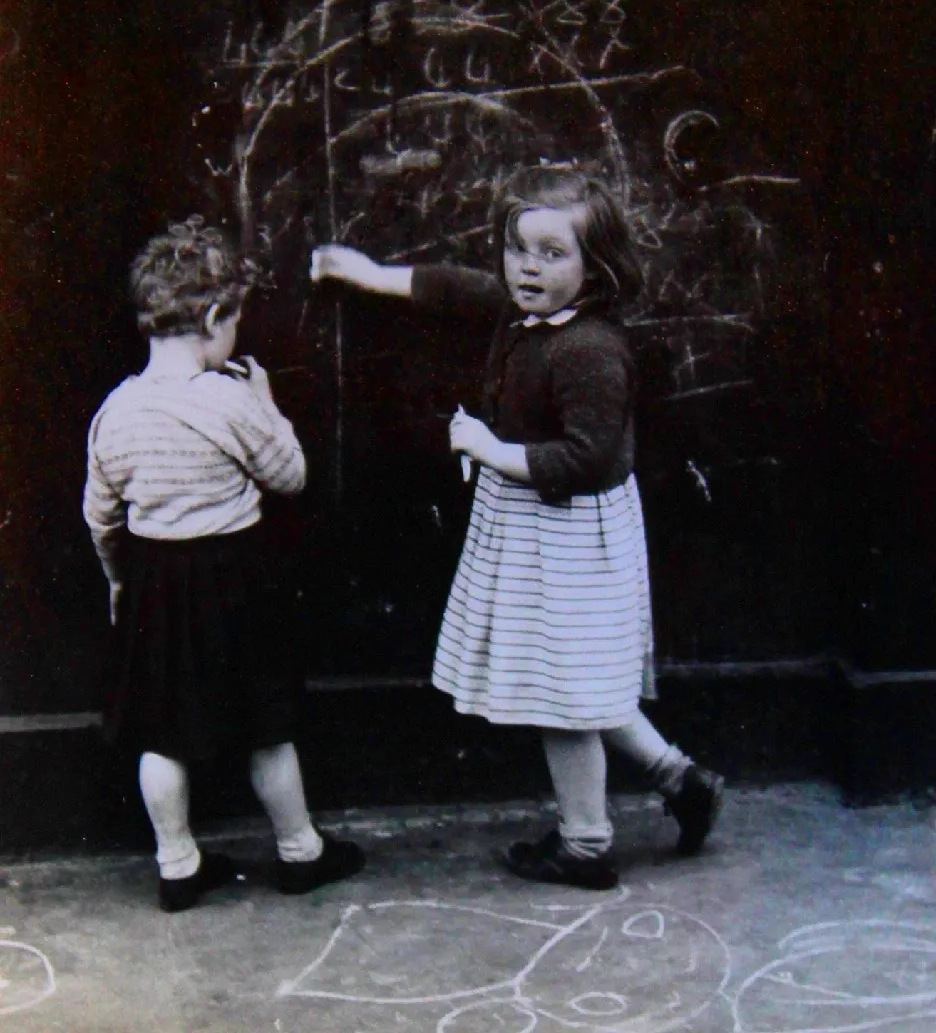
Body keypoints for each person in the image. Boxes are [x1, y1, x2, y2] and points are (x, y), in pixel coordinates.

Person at [310, 164, 724, 890]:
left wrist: (490, 449)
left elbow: (590, 457)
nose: (527, 267)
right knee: (578, 684)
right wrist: (374, 276)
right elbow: (456, 287)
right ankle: (679, 780)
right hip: (535, 525)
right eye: (517, 248)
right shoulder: (521, 310)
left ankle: (588, 845)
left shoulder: (590, 348)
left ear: (596, 267)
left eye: (552, 253)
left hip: (569, 533)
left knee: (562, 697)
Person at [83, 216, 364, 911]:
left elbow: (101, 516)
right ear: (213, 318)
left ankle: (176, 864)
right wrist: (269, 407)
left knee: (160, 733)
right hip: (238, 583)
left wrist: (120, 580)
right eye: (233, 320)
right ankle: (300, 851)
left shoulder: (115, 412)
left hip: (156, 585)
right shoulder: (230, 399)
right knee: (268, 729)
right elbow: (290, 474)